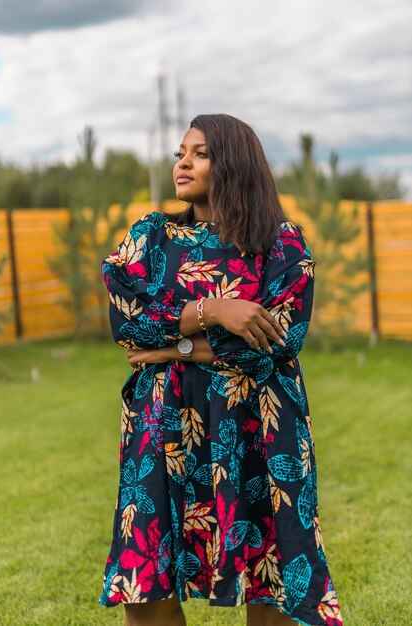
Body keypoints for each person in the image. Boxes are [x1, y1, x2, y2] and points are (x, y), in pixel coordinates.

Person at [99, 114, 343, 626]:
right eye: (180, 153)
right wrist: (216, 311)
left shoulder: (281, 244)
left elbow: (277, 345)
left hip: (257, 430)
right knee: (144, 578)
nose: (183, 162)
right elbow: (127, 321)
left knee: (268, 570)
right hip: (161, 429)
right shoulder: (151, 236)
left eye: (200, 153)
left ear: (232, 163)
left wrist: (171, 350)